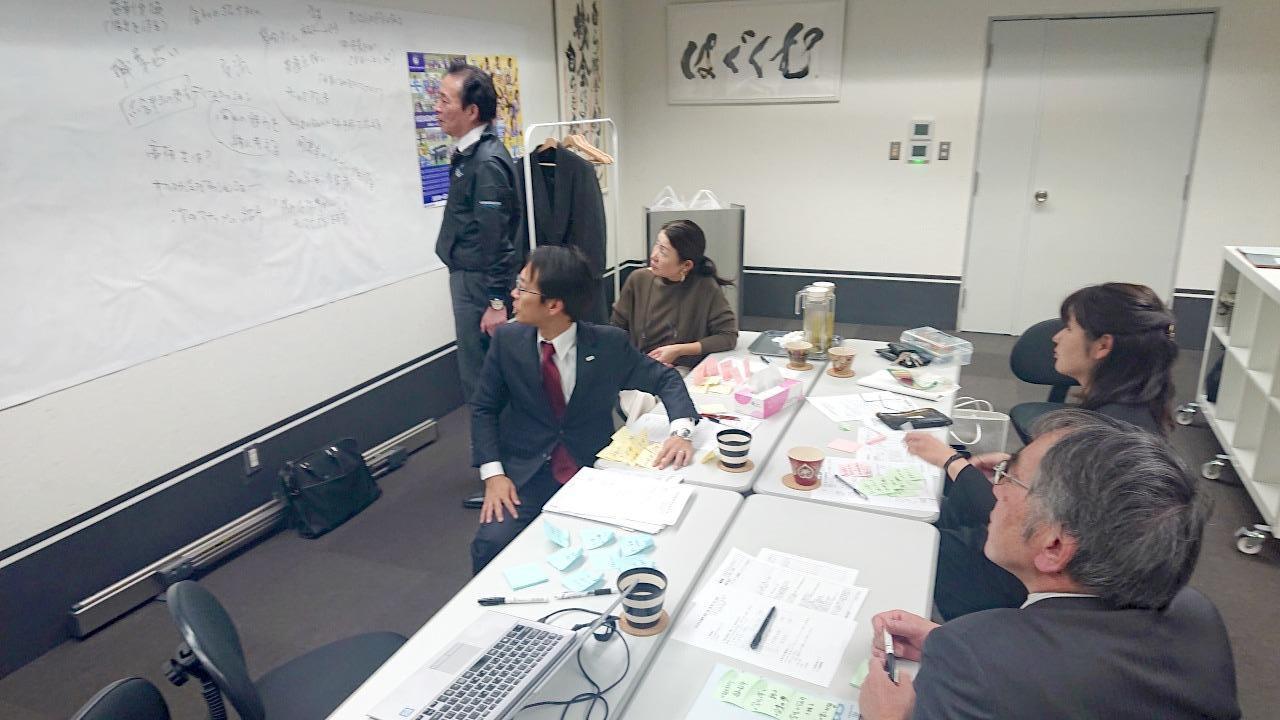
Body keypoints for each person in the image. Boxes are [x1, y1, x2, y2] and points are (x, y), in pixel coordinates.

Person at [860, 409, 1239, 720]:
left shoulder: (973, 660)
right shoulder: (1196, 614)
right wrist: (954, 646)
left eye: (1010, 478)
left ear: (1054, 546)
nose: (996, 489)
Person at [904, 281, 1179, 618]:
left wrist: (950, 461)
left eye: (1069, 328)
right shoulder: (1136, 412)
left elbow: (1018, 520)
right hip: (1066, 565)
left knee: (917, 539)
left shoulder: (1096, 438)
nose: (1057, 337)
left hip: (1033, 576)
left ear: (1103, 345)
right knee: (947, 503)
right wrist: (1014, 467)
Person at [469, 245, 699, 573]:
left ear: (554, 305)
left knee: (617, 552)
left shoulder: (607, 344)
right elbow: (483, 408)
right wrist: (493, 474)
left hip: (591, 469)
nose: (513, 294)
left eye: (522, 287)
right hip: (526, 474)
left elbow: (665, 379)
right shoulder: (507, 340)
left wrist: (681, 432)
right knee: (490, 544)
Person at [434, 61, 521, 405]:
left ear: (471, 111)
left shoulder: (485, 162)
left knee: (483, 380)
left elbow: (497, 238)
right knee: (480, 376)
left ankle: (494, 440)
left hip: (481, 286)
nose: (437, 108)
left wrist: (496, 301)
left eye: (445, 100)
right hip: (471, 280)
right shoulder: (471, 153)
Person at [611, 219, 738, 368]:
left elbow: (727, 336)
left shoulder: (705, 287)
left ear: (686, 265)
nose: (654, 256)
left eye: (663, 252)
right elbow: (616, 330)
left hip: (683, 371)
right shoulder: (638, 279)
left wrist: (679, 350)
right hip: (639, 368)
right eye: (657, 245)